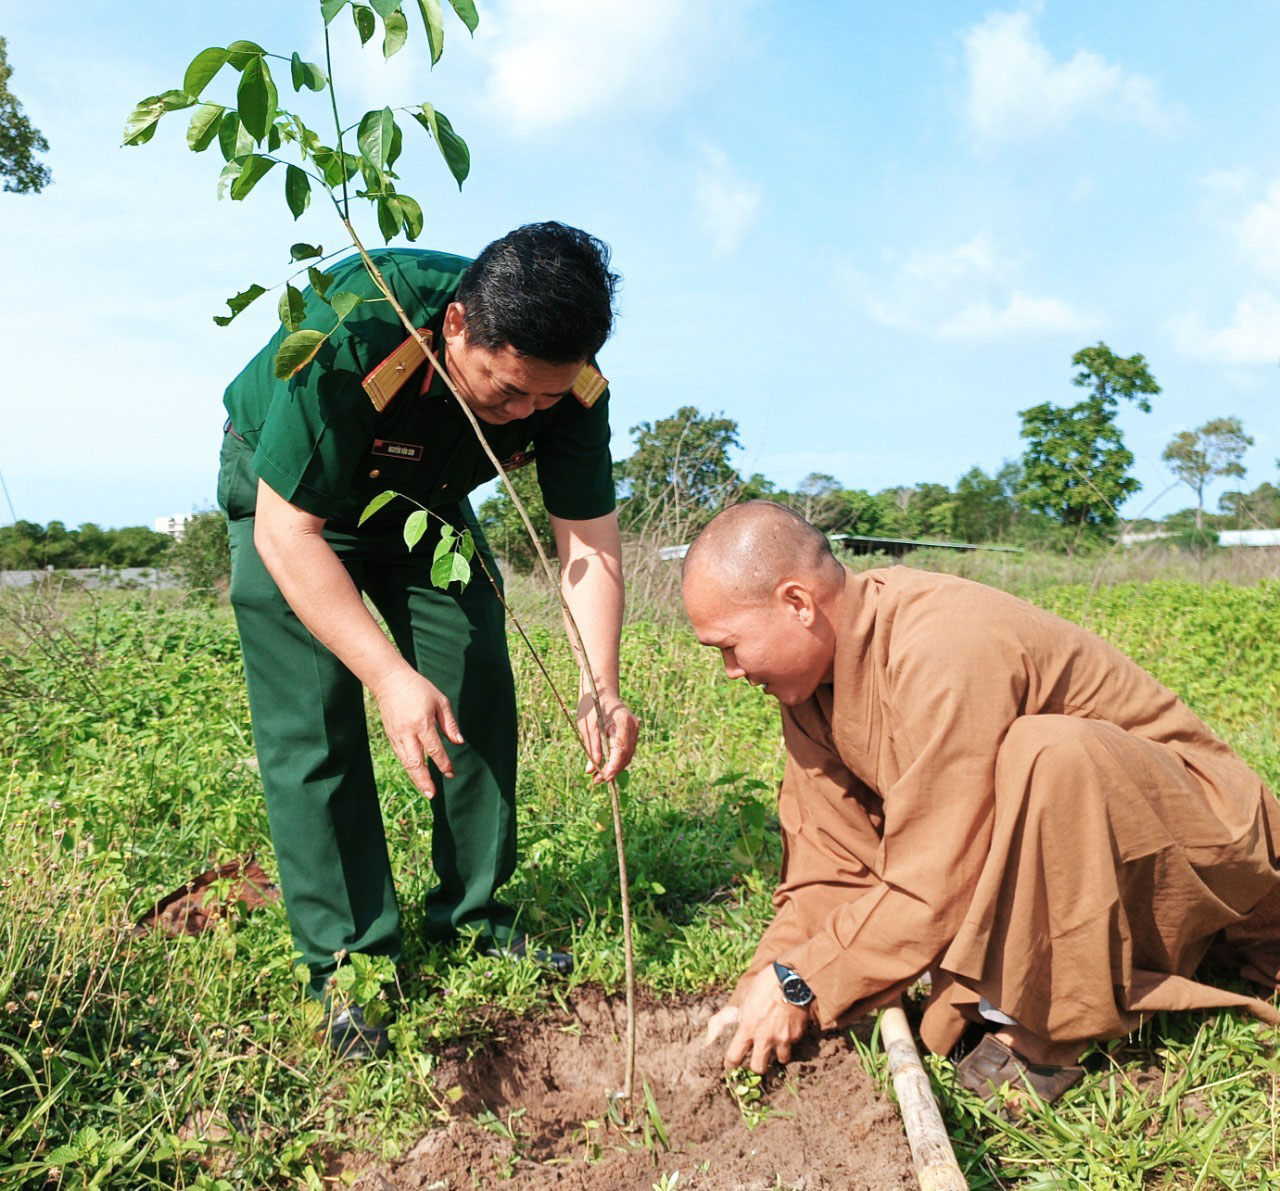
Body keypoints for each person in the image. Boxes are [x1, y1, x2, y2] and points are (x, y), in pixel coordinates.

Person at [683, 501, 1280, 1100]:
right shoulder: (810, 692)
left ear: (798, 603)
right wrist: (764, 981)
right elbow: (829, 868)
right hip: (1080, 867)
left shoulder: (939, 644)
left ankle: (1048, 1027)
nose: (730, 670)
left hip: (1208, 854)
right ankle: (1012, 990)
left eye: (729, 647)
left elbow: (939, 875)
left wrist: (805, 981)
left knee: (1049, 751)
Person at [218, 223, 639, 1057]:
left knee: (475, 671)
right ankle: (350, 967)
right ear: (455, 326)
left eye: (544, 399)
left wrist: (600, 681)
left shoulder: (572, 385)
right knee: (315, 722)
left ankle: (474, 914)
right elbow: (287, 532)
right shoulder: (355, 329)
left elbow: (587, 542)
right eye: (507, 389)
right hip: (295, 505)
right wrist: (386, 675)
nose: (525, 412)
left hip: (423, 505)